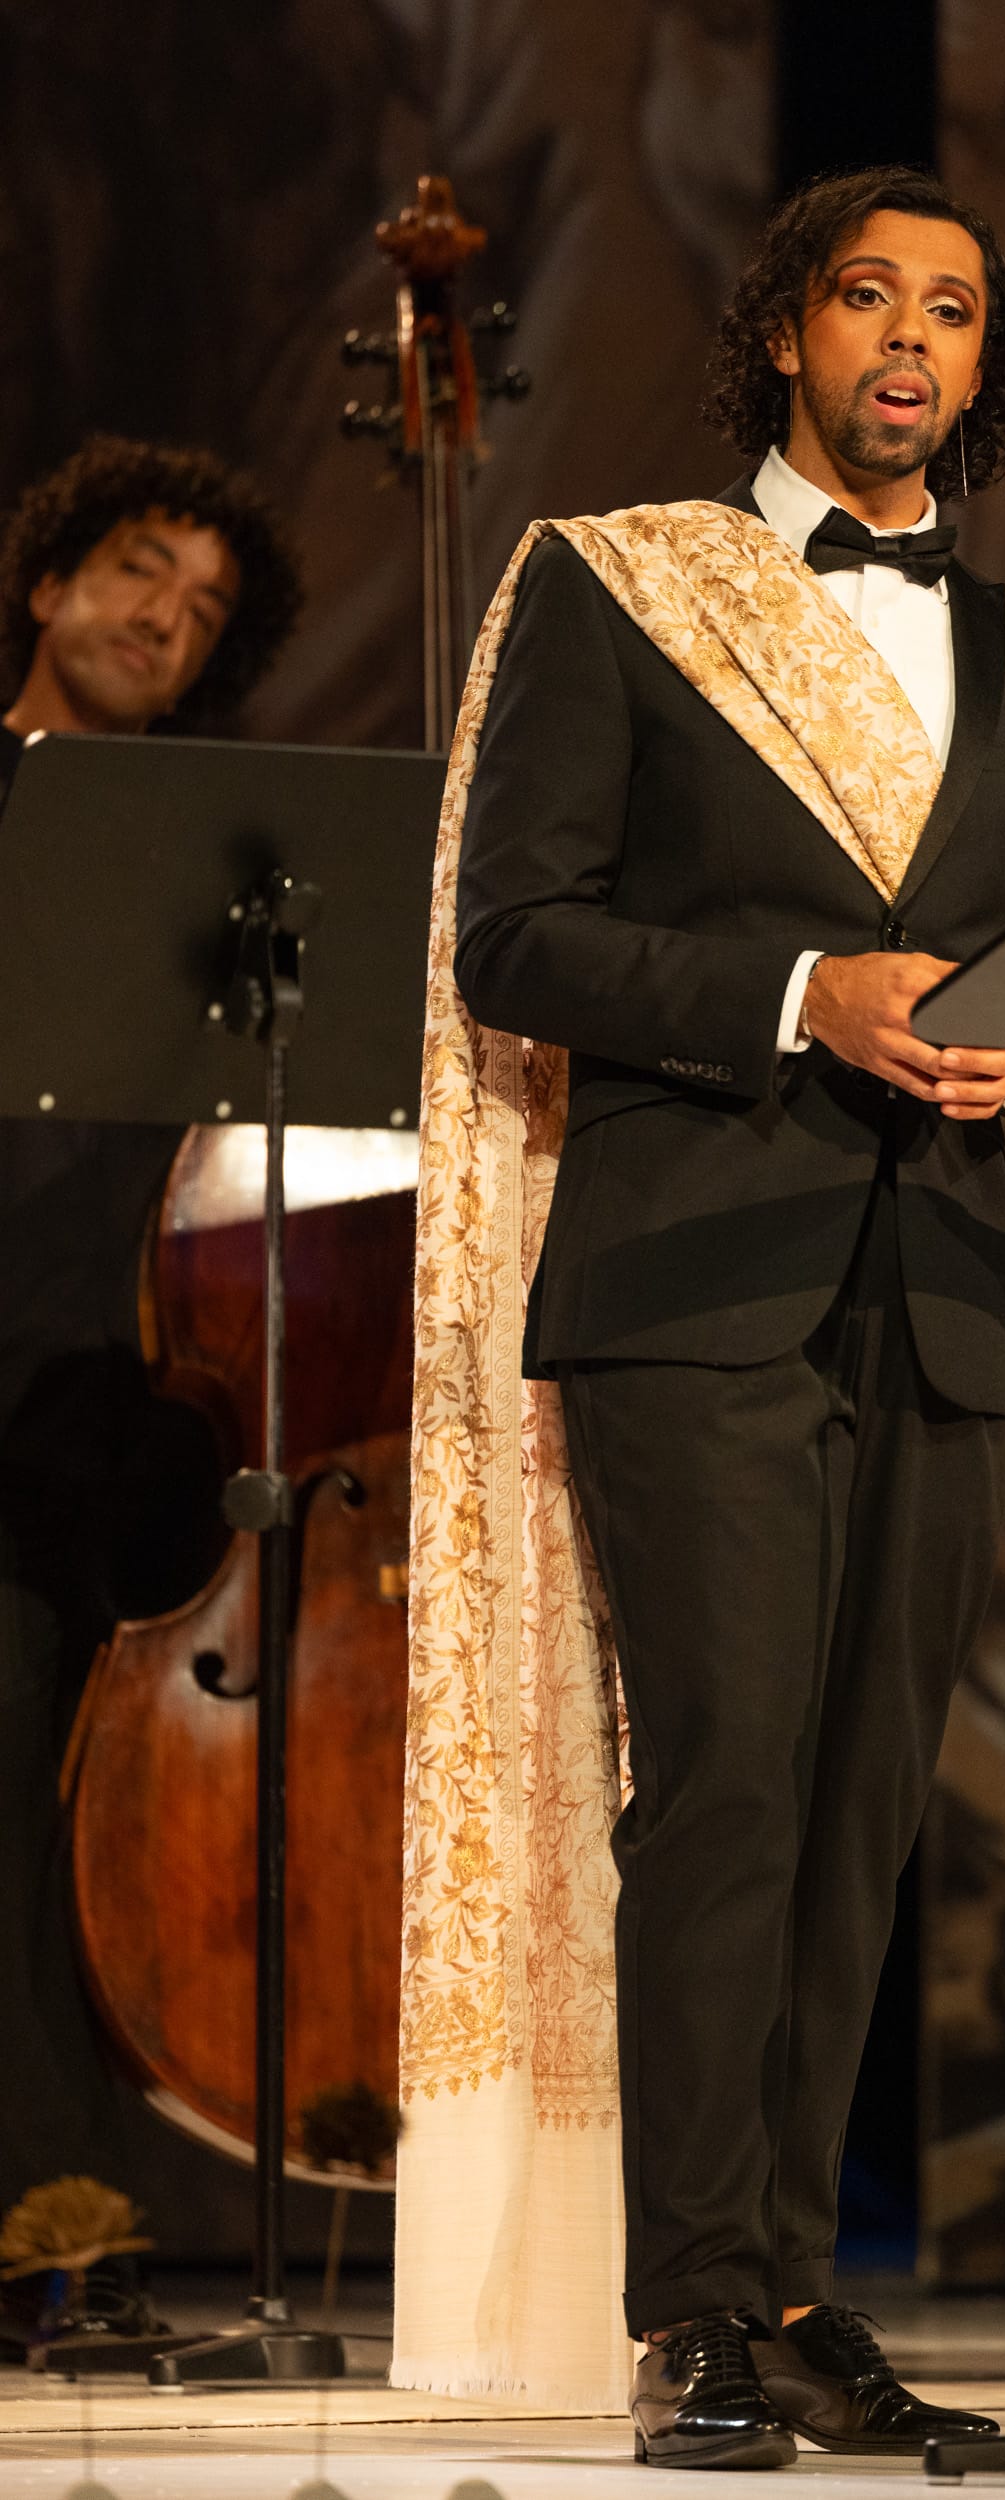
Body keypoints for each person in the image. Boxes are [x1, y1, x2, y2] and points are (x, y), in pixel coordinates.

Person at [417, 163, 1005, 2463]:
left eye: (954, 313)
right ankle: (692, 2302)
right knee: (721, 1785)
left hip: (942, 1285)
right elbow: (516, 931)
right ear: (788, 333)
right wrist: (811, 991)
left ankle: (795, 2276)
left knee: (857, 1812)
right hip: (697, 1259)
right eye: (869, 297)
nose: (913, 341)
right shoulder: (621, 589)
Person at [0, 435, 300, 2245]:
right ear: (44, 583)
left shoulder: (214, 868)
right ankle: (58, 2216)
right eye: (135, 575)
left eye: (199, 618)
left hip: (127, 1395)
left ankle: (69, 2212)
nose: (160, 623)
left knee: (78, 1830)